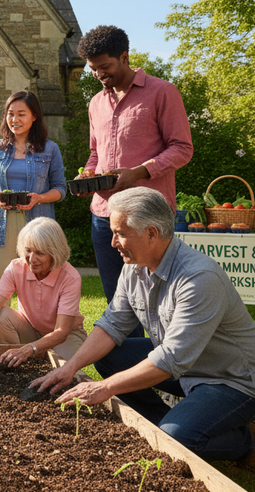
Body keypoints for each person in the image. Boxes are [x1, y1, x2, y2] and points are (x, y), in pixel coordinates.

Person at [31, 187, 255, 476]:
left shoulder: (198, 278)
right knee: (110, 356)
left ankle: (251, 440)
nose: (113, 243)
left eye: (120, 233)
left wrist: (104, 387)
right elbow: (112, 324)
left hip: (235, 381)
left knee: (176, 439)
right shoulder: (134, 266)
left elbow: (172, 358)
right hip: (187, 368)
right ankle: (167, 425)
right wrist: (70, 367)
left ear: (151, 233)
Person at [76, 26, 193, 328]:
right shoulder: (95, 103)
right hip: (103, 215)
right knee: (116, 300)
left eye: (105, 66)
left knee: (156, 298)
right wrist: (88, 177)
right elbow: (95, 153)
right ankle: (125, 365)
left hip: (147, 217)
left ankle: (162, 363)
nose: (99, 74)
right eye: (93, 69)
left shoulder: (162, 92)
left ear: (124, 57)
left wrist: (140, 172)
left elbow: (182, 149)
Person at [0, 90, 66, 299]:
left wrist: (40, 197)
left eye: (21, 114)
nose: (14, 119)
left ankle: (37, 331)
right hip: (3, 224)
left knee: (40, 288)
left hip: (38, 224)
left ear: (34, 116)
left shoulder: (50, 149)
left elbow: (60, 189)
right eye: (10, 113)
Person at [0, 217, 87, 365]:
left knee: (65, 372)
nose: (32, 259)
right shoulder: (16, 267)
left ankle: (30, 354)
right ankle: (22, 359)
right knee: (2, 314)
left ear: (55, 253)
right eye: (28, 250)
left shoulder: (70, 277)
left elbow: (61, 331)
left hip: (66, 336)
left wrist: (30, 348)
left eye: (40, 253)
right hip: (31, 329)